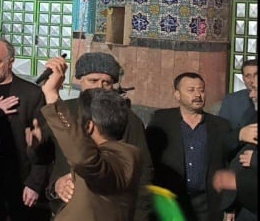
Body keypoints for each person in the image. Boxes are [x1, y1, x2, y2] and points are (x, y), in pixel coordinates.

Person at [42, 52, 153, 221]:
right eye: (93, 81)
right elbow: (46, 159)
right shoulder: (68, 110)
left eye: (106, 82)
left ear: (90, 126)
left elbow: (86, 160)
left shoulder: (128, 126)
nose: (99, 87)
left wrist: (52, 94)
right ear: (80, 80)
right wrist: (56, 186)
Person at [146, 72, 239, 221]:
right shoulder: (161, 120)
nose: (198, 95)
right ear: (177, 94)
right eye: (191, 90)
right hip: (171, 202)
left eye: (201, 90)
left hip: (207, 204)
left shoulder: (221, 126)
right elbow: (148, 159)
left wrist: (229, 204)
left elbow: (229, 165)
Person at [0, 39, 51, 221]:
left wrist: (34, 183)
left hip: (19, 181)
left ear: (10, 62)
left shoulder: (31, 94)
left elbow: (44, 143)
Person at [218, 59, 258, 221]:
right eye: (248, 76)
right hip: (245, 197)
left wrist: (255, 159)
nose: (251, 94)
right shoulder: (235, 104)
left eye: (256, 75)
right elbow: (224, 141)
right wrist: (230, 202)